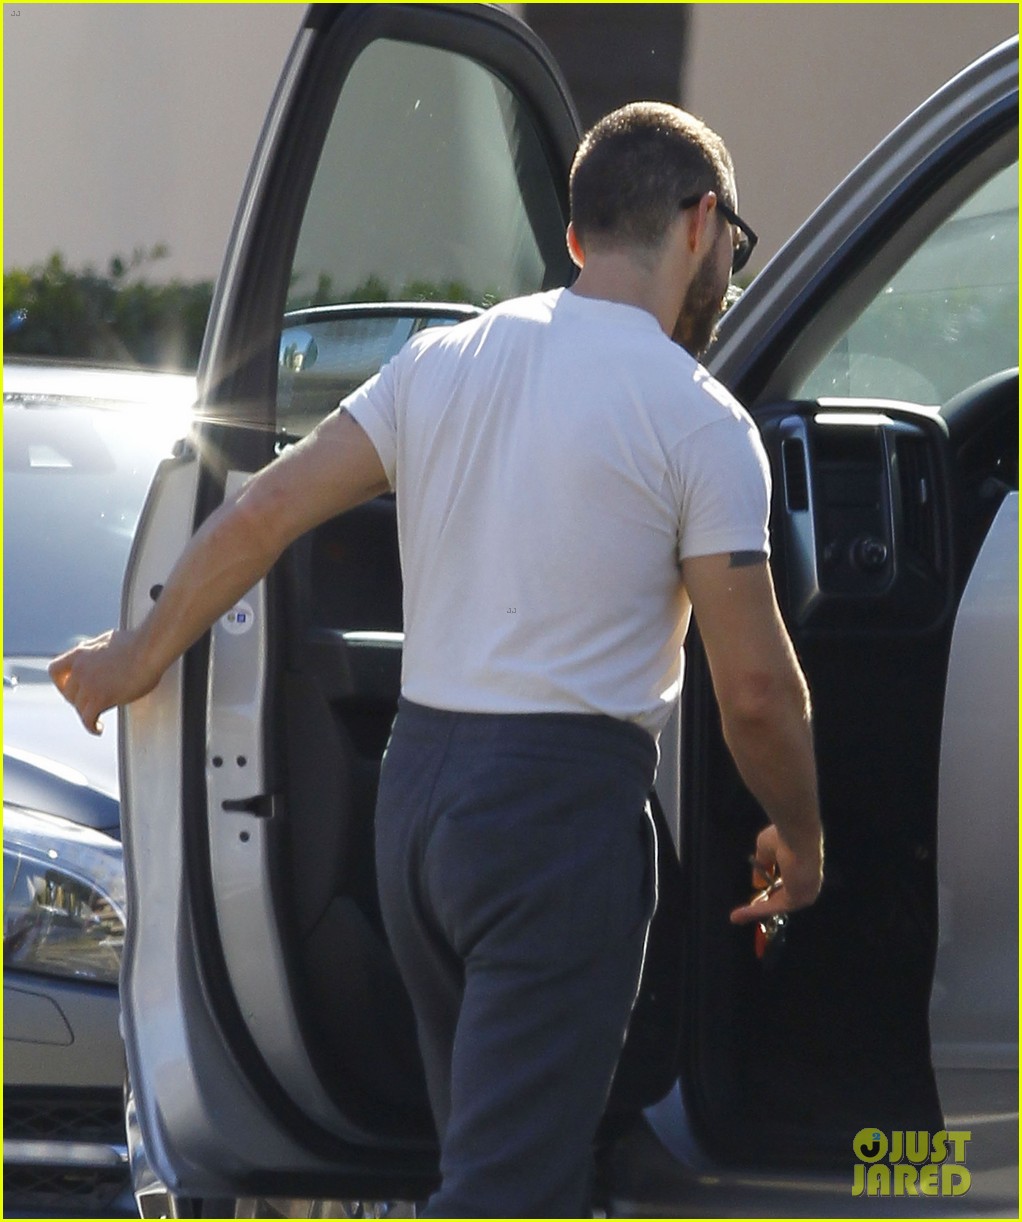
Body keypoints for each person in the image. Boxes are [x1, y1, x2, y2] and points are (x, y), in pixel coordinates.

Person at [51, 102, 823, 1217]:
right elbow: (752, 690)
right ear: (701, 224)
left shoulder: (442, 362)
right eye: (731, 245)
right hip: (557, 821)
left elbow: (261, 515)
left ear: (575, 238)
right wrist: (798, 834)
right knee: (506, 1190)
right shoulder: (698, 421)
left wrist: (136, 652)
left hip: (416, 804)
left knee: (488, 1156)